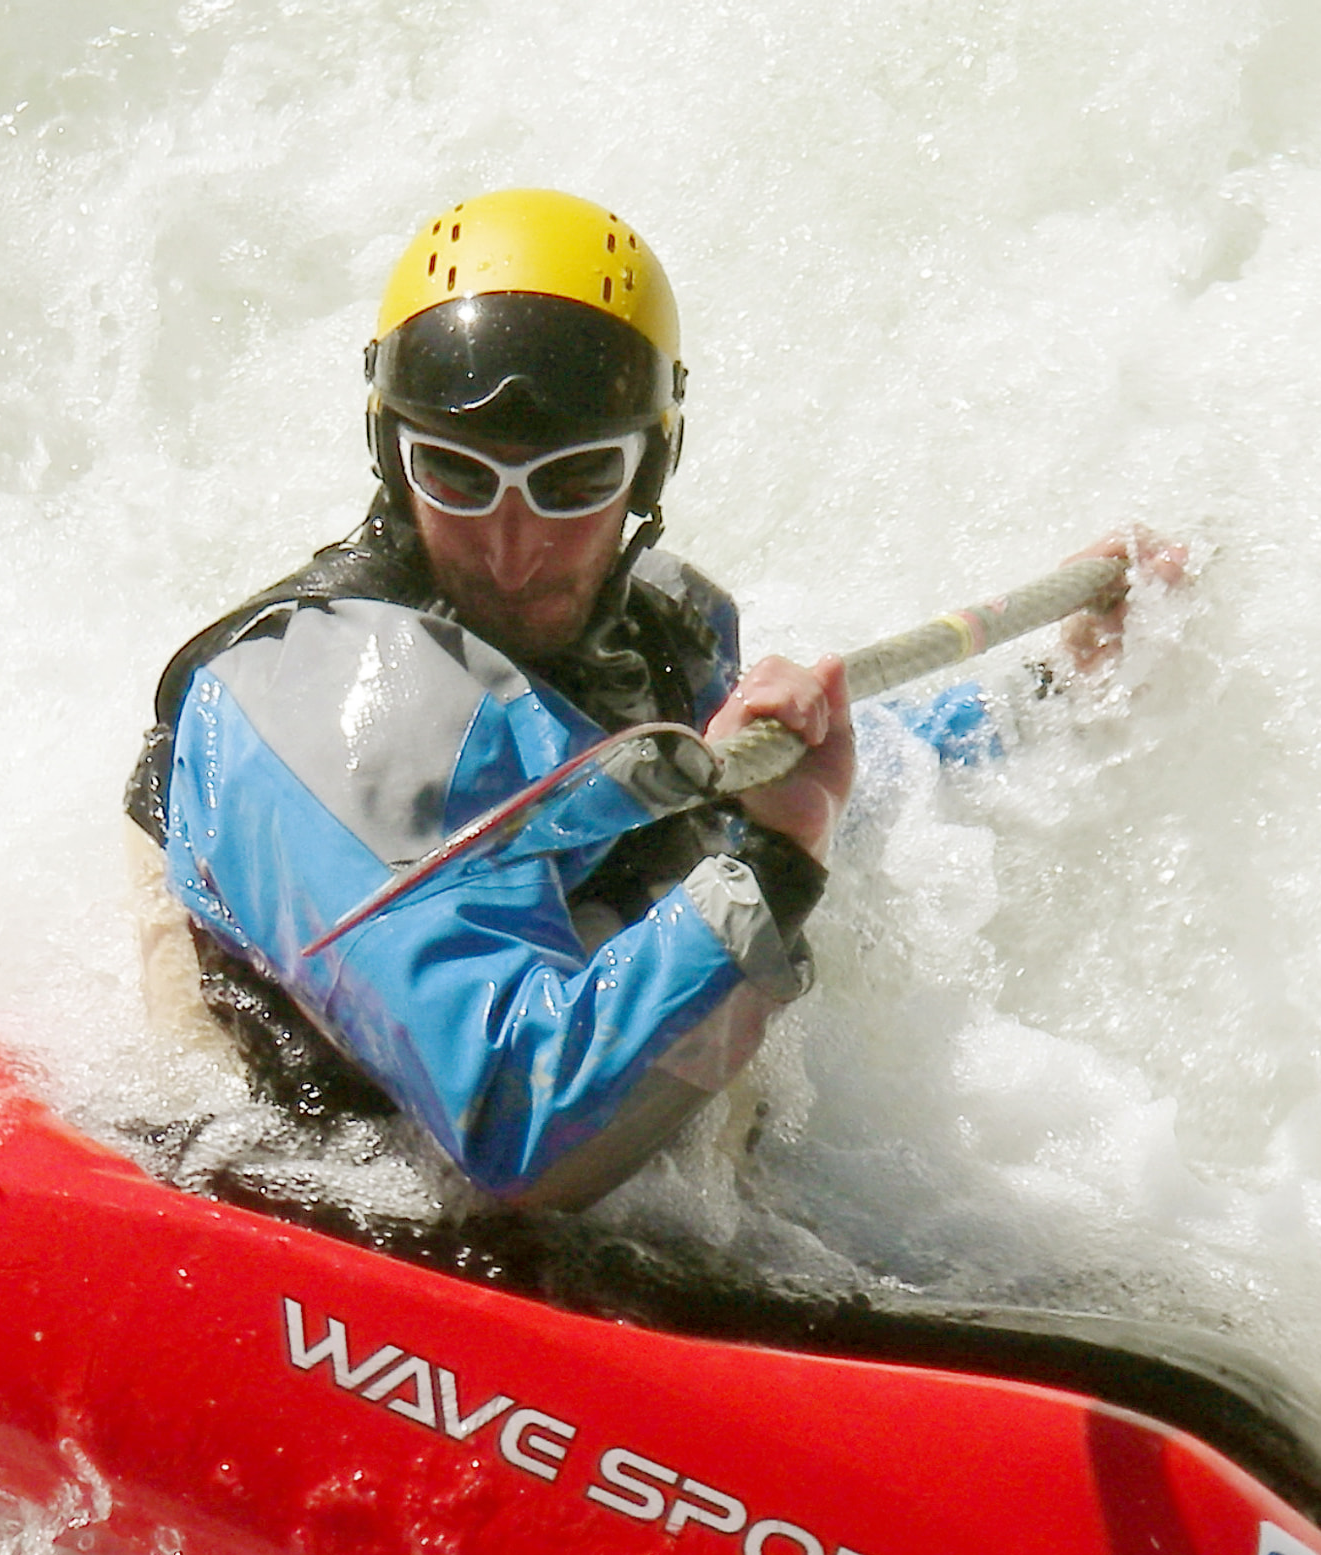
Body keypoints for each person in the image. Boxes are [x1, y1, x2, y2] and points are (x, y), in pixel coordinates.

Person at [126, 188, 1160, 1212]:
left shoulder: (652, 637)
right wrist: (769, 865)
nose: (511, 545)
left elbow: (858, 772)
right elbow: (512, 1113)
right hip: (329, 1171)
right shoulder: (332, 705)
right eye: (454, 471)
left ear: (650, 466)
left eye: (573, 483)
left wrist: (1048, 689)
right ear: (387, 456)